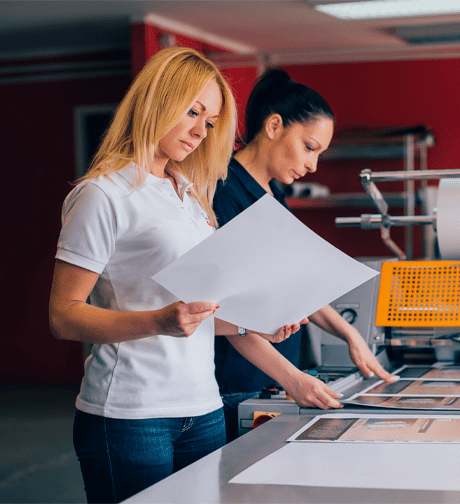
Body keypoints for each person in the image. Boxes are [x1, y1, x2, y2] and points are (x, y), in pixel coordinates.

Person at [48, 48, 305, 504]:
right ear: (156, 100)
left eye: (209, 122)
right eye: (193, 111)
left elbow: (192, 314)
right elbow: (65, 317)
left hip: (202, 408)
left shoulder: (188, 196)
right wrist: (157, 322)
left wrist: (252, 322)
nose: (199, 131)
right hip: (130, 416)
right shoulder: (102, 194)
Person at [213, 67, 395, 442]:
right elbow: (224, 311)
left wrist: (351, 336)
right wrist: (292, 379)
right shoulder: (225, 193)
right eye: (309, 148)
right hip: (237, 384)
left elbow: (295, 284)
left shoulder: (275, 195)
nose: (313, 165)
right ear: (275, 126)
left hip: (276, 381)